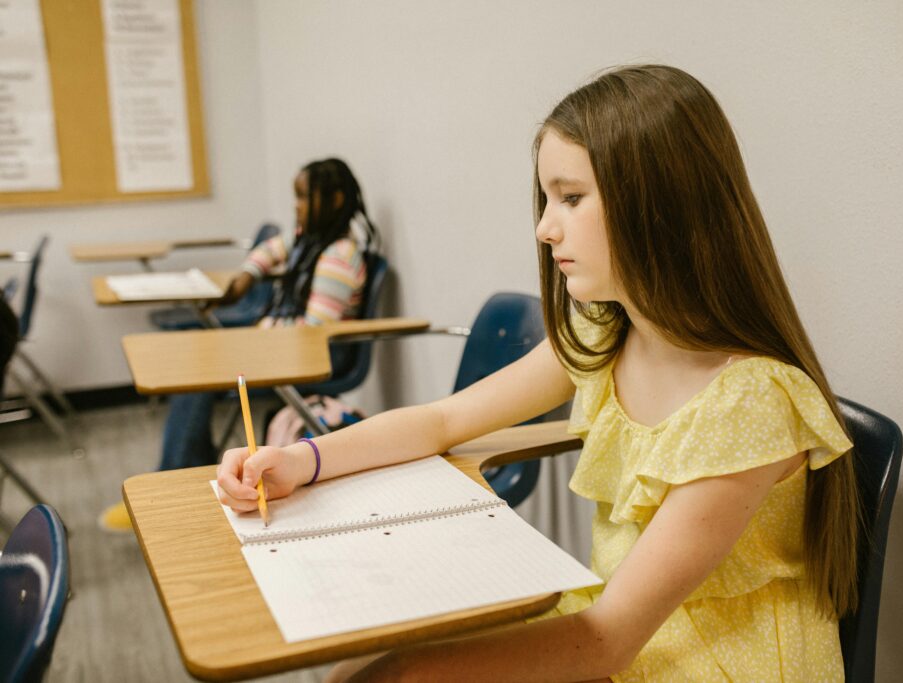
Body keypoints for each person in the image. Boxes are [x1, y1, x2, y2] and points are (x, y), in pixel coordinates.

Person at [217, 65, 860, 682]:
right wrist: (304, 459)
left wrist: (414, 669)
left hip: (708, 661)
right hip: (620, 628)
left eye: (571, 198)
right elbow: (445, 419)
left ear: (660, 206)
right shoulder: (606, 333)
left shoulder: (747, 402)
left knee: (390, 672)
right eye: (548, 198)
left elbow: (611, 637)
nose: (545, 227)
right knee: (353, 670)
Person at [100, 157, 379, 532]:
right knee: (196, 368)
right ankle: (187, 476)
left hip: (317, 355)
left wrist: (257, 336)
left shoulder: (339, 255)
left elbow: (313, 332)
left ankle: (171, 482)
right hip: (280, 345)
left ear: (334, 200)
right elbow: (268, 250)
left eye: (302, 197)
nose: (295, 207)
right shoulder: (307, 240)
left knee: (199, 370)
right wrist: (249, 275)